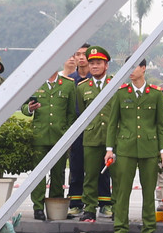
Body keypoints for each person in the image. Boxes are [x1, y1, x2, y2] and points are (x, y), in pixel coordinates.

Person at [103, 59, 163, 233]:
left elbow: (160, 125)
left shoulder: (155, 94)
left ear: (143, 68)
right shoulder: (122, 93)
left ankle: (148, 231)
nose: (130, 71)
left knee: (149, 191)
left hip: (149, 148)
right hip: (126, 148)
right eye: (128, 67)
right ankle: (120, 229)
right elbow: (113, 124)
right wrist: (110, 149)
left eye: (134, 67)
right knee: (122, 191)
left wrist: (162, 150)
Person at [21, 69, 76, 220]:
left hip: (60, 136)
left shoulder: (68, 85)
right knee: (38, 173)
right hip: (40, 136)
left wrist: (69, 136)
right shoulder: (35, 82)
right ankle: (38, 207)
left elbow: (71, 113)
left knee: (58, 174)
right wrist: (29, 109)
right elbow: (23, 107)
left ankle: (55, 205)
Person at [76, 45, 113, 223]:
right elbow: (82, 114)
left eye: (98, 63)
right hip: (91, 137)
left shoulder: (115, 84)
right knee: (90, 175)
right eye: (92, 63)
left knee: (117, 175)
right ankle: (89, 208)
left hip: (112, 137)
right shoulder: (82, 88)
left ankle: (115, 207)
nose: (95, 66)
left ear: (106, 65)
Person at [65, 44, 91, 216]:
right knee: (75, 166)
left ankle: (102, 202)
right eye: (78, 54)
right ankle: (75, 202)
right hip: (74, 129)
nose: (81, 57)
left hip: (94, 128)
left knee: (98, 168)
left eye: (84, 54)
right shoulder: (69, 80)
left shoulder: (97, 79)